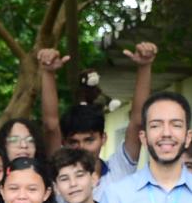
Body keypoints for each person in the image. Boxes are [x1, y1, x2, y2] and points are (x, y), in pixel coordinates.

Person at [38, 41, 157, 183]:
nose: (81, 148)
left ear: (103, 138)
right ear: (63, 143)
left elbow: (138, 122)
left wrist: (145, 66)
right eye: (73, 142)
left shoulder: (119, 168)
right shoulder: (58, 172)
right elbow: (51, 126)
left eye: (89, 140)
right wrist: (47, 73)